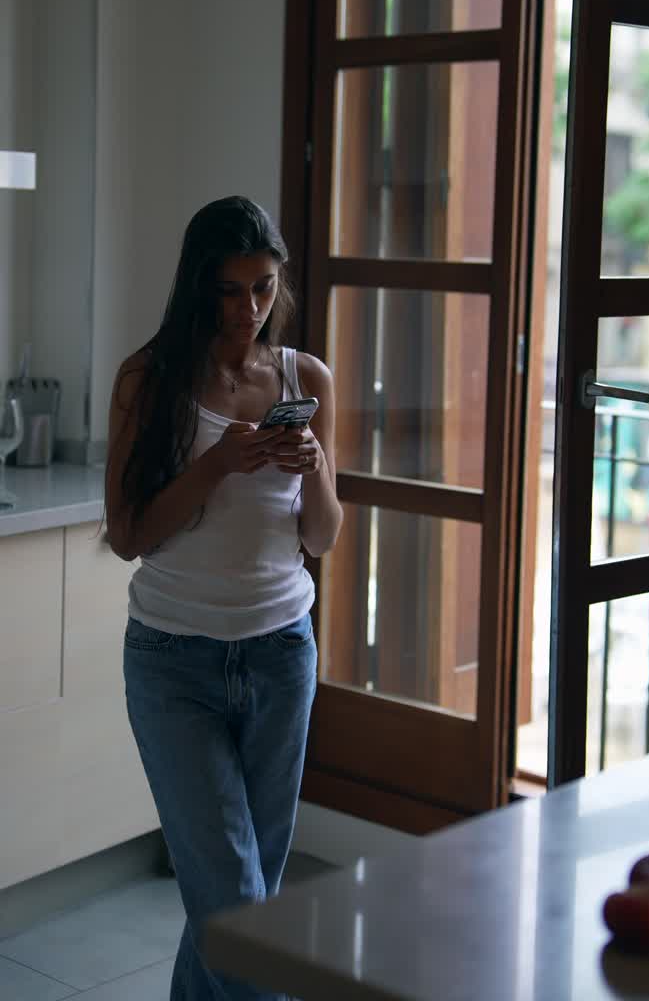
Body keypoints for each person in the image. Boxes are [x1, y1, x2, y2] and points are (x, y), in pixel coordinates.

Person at [105, 196, 343, 1001]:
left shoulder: (305, 377)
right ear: (198, 288)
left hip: (281, 657)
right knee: (239, 906)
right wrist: (216, 467)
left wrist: (310, 464)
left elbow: (324, 536)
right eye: (231, 290)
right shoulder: (149, 379)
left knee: (237, 905)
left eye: (265, 288)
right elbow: (131, 531)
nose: (249, 310)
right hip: (174, 663)